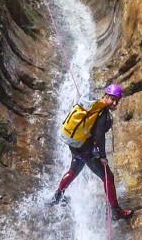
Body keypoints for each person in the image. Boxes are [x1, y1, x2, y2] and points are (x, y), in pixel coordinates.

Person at [52, 83, 133, 220]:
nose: (114, 103)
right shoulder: (102, 113)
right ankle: (116, 211)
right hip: (86, 149)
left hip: (77, 145)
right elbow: (99, 136)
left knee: (75, 169)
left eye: (116, 101)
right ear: (105, 96)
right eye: (112, 99)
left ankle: (58, 196)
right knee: (108, 177)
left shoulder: (93, 107)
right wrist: (102, 156)